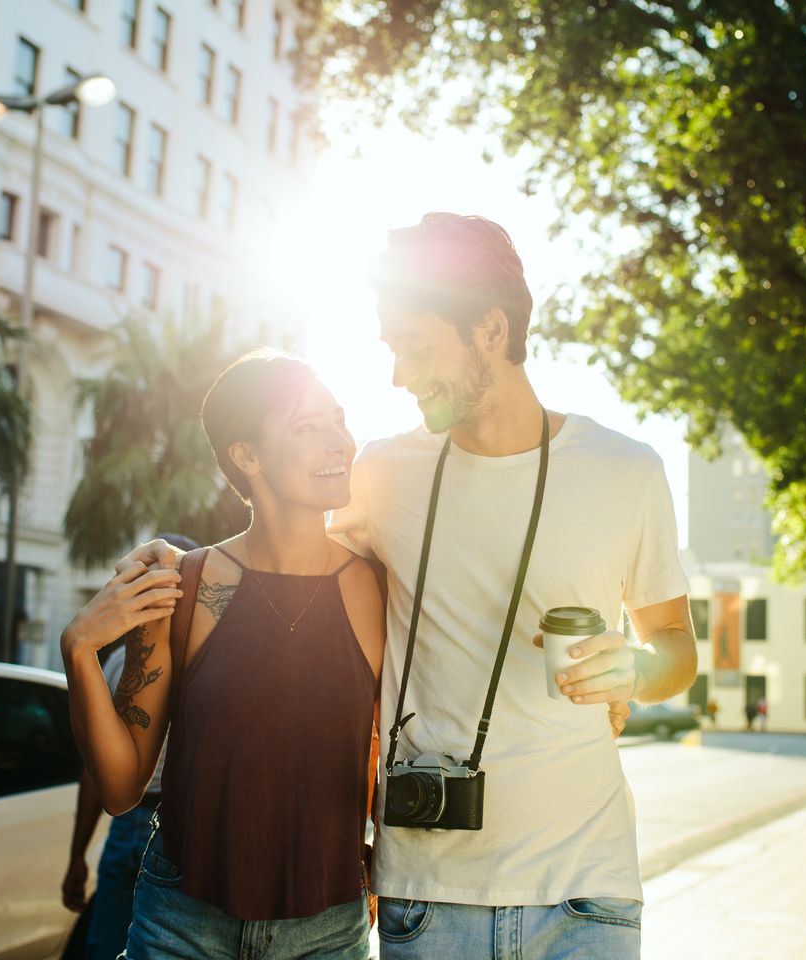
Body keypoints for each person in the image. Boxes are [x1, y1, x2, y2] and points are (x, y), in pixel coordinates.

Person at [330, 213, 697, 958]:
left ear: (491, 330)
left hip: (585, 896)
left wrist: (636, 668)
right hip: (427, 899)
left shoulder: (627, 471)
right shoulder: (380, 472)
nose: (400, 375)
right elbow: (290, 573)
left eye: (416, 347)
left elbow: (677, 652)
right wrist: (183, 566)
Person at [60, 351, 385, 960]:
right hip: (180, 926)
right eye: (307, 428)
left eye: (338, 421)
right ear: (247, 455)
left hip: (328, 932)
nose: (339, 442)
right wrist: (78, 652)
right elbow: (120, 787)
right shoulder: (181, 587)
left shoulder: (376, 588)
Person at [61, 534, 198, 960]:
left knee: (110, 943)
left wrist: (77, 856)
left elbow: (95, 772)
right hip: (170, 824)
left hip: (141, 824)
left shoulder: (123, 659)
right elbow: (99, 773)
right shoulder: (198, 652)